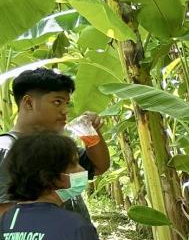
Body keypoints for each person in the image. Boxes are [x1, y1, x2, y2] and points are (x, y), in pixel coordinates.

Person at [0, 68, 109, 221]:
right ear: (29, 103)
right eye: (57, 102)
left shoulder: (54, 147)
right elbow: (6, 213)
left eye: (67, 103)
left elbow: (98, 167)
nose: (65, 111)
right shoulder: (7, 149)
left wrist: (90, 131)